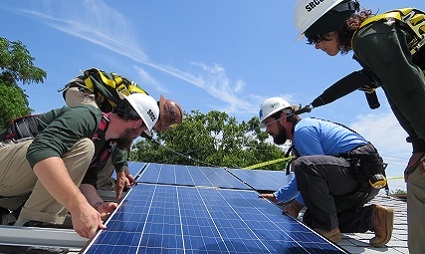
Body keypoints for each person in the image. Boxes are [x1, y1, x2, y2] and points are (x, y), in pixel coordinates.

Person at [294, 1, 425, 252]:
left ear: (328, 26)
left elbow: (411, 91)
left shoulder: (369, 38)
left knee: (420, 181)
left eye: (316, 38)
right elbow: (404, 86)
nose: (317, 46)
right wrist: (418, 146)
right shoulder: (380, 30)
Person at [0, 93, 159, 241]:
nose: (138, 137)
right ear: (137, 123)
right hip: (6, 165)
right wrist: (78, 206)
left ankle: (15, 219)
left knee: (85, 150)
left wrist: (98, 205)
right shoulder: (87, 116)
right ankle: (32, 228)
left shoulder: (106, 143)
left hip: (13, 188)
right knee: (84, 146)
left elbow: (86, 181)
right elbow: (41, 150)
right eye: (142, 131)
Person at [258, 97, 393, 247]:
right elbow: (305, 178)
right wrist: (278, 197)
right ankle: (373, 217)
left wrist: (295, 206)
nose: (268, 131)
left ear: (282, 117)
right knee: (311, 219)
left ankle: (329, 229)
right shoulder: (302, 134)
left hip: (358, 173)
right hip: (363, 180)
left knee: (303, 165)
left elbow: (310, 169)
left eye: (268, 124)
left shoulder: (303, 130)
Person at [60, 68, 183, 200]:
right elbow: (121, 136)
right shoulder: (140, 102)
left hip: (94, 97)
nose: (157, 129)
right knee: (99, 131)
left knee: (109, 138)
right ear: (159, 116)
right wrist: (120, 172)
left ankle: (97, 184)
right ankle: (89, 184)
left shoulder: (145, 107)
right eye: (160, 125)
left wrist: (124, 170)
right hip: (82, 89)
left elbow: (125, 140)